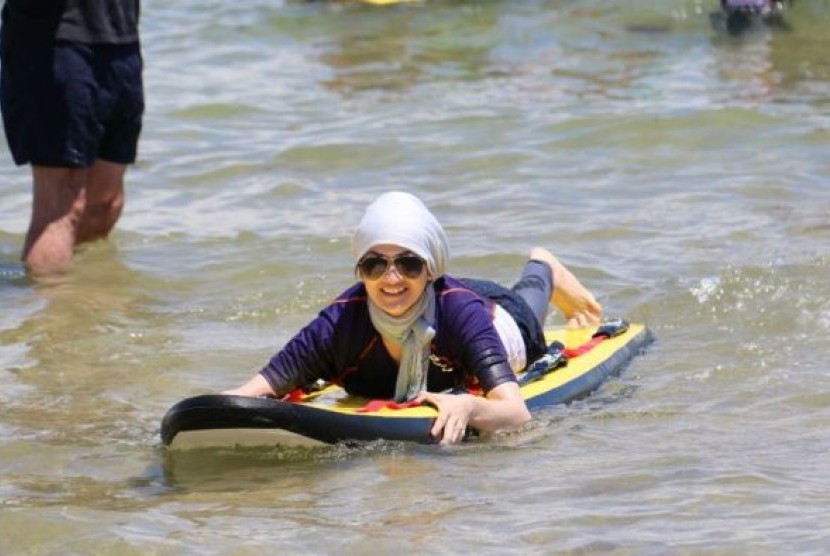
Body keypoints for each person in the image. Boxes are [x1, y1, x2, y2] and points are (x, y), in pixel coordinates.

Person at [224, 192, 603, 445]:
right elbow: (253, 391)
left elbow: (515, 413)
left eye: (407, 262)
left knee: (527, 310)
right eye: (375, 264)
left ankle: (544, 265)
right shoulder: (339, 324)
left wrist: (470, 407)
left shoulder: (462, 313)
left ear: (429, 267)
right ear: (360, 270)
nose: (390, 278)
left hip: (494, 316)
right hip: (436, 297)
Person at [0, 0, 143, 273]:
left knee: (105, 204)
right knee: (62, 208)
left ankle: (79, 306)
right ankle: (55, 312)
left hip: (120, 39)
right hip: (52, 44)